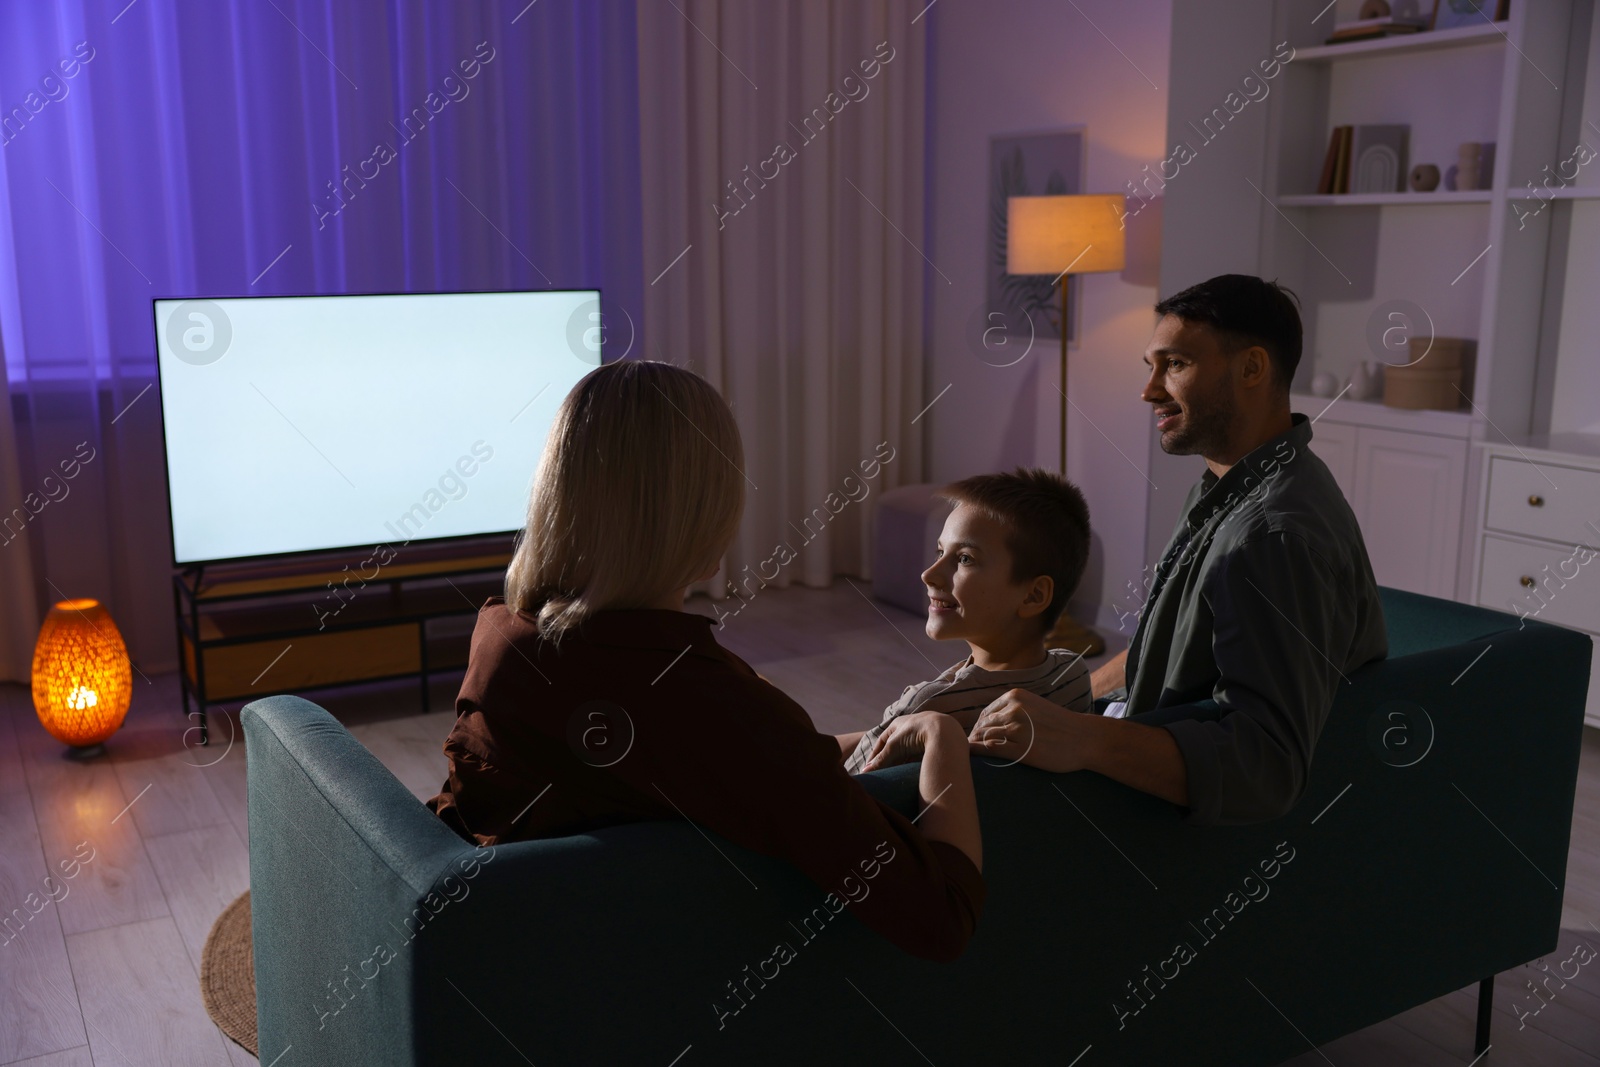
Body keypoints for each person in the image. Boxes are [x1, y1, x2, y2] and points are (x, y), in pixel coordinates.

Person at [425, 360, 984, 961]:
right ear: (704, 512)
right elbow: (939, 916)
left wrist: (867, 737)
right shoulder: (707, 703)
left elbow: (727, 766)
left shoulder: (505, 641)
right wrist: (945, 736)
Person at [963, 274, 1388, 824]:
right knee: (930, 718)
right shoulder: (1230, 486)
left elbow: (1264, 768)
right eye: (1151, 366)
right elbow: (1163, 653)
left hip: (1142, 819)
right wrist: (1066, 695)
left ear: (1252, 368)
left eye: (1176, 365)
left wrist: (1082, 738)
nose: (1149, 389)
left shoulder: (1271, 538)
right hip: (1129, 733)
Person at [840, 469, 1093, 774]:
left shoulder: (928, 708)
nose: (929, 574)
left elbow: (847, 786)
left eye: (964, 559)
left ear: (1033, 596)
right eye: (940, 551)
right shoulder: (1073, 676)